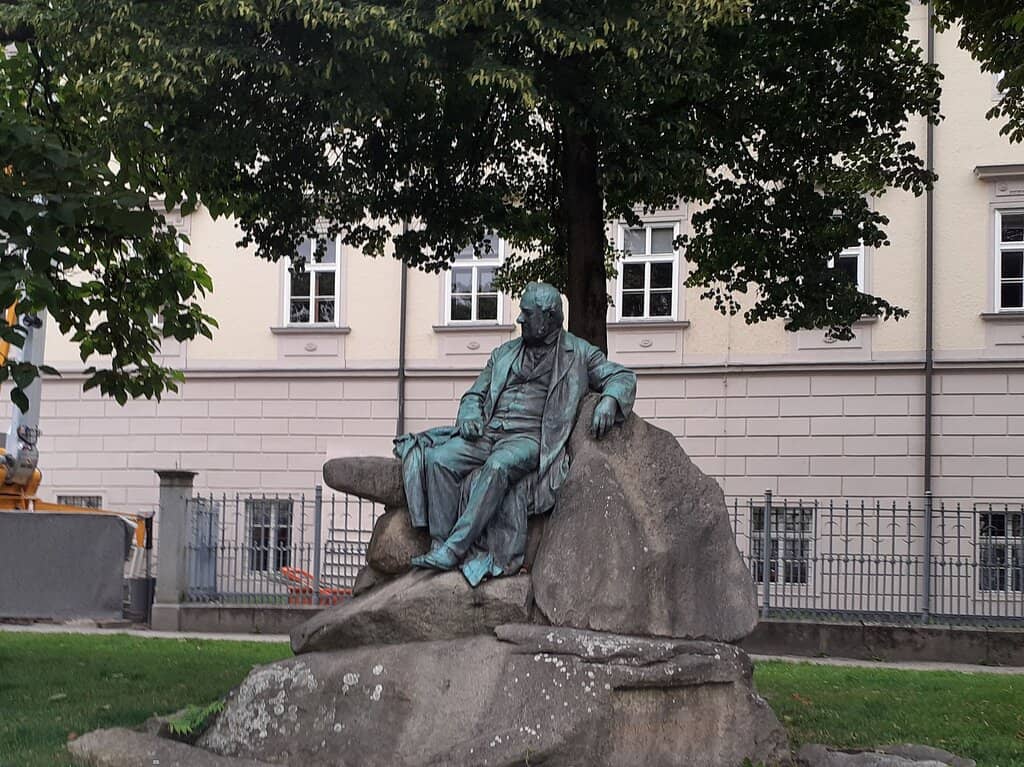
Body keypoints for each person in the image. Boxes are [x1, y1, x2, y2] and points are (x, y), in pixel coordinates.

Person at [397, 282, 636, 584]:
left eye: (527, 313)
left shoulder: (578, 352)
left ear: (548, 317)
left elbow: (621, 376)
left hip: (529, 439)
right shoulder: (504, 353)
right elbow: (474, 395)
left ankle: (454, 549)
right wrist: (470, 415)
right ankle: (440, 544)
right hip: (488, 432)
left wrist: (610, 399)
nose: (519, 319)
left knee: (498, 467)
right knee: (438, 459)